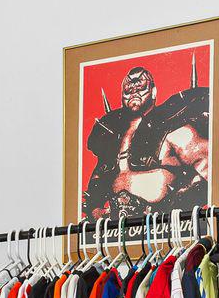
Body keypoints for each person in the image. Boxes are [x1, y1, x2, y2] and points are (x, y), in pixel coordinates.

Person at [80, 63, 212, 218]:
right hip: (119, 228)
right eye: (128, 90)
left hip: (163, 226)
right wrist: (98, 213)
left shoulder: (173, 127)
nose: (134, 93)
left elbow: (209, 166)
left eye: (141, 88)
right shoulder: (112, 138)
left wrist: (175, 205)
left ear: (153, 92)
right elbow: (97, 183)